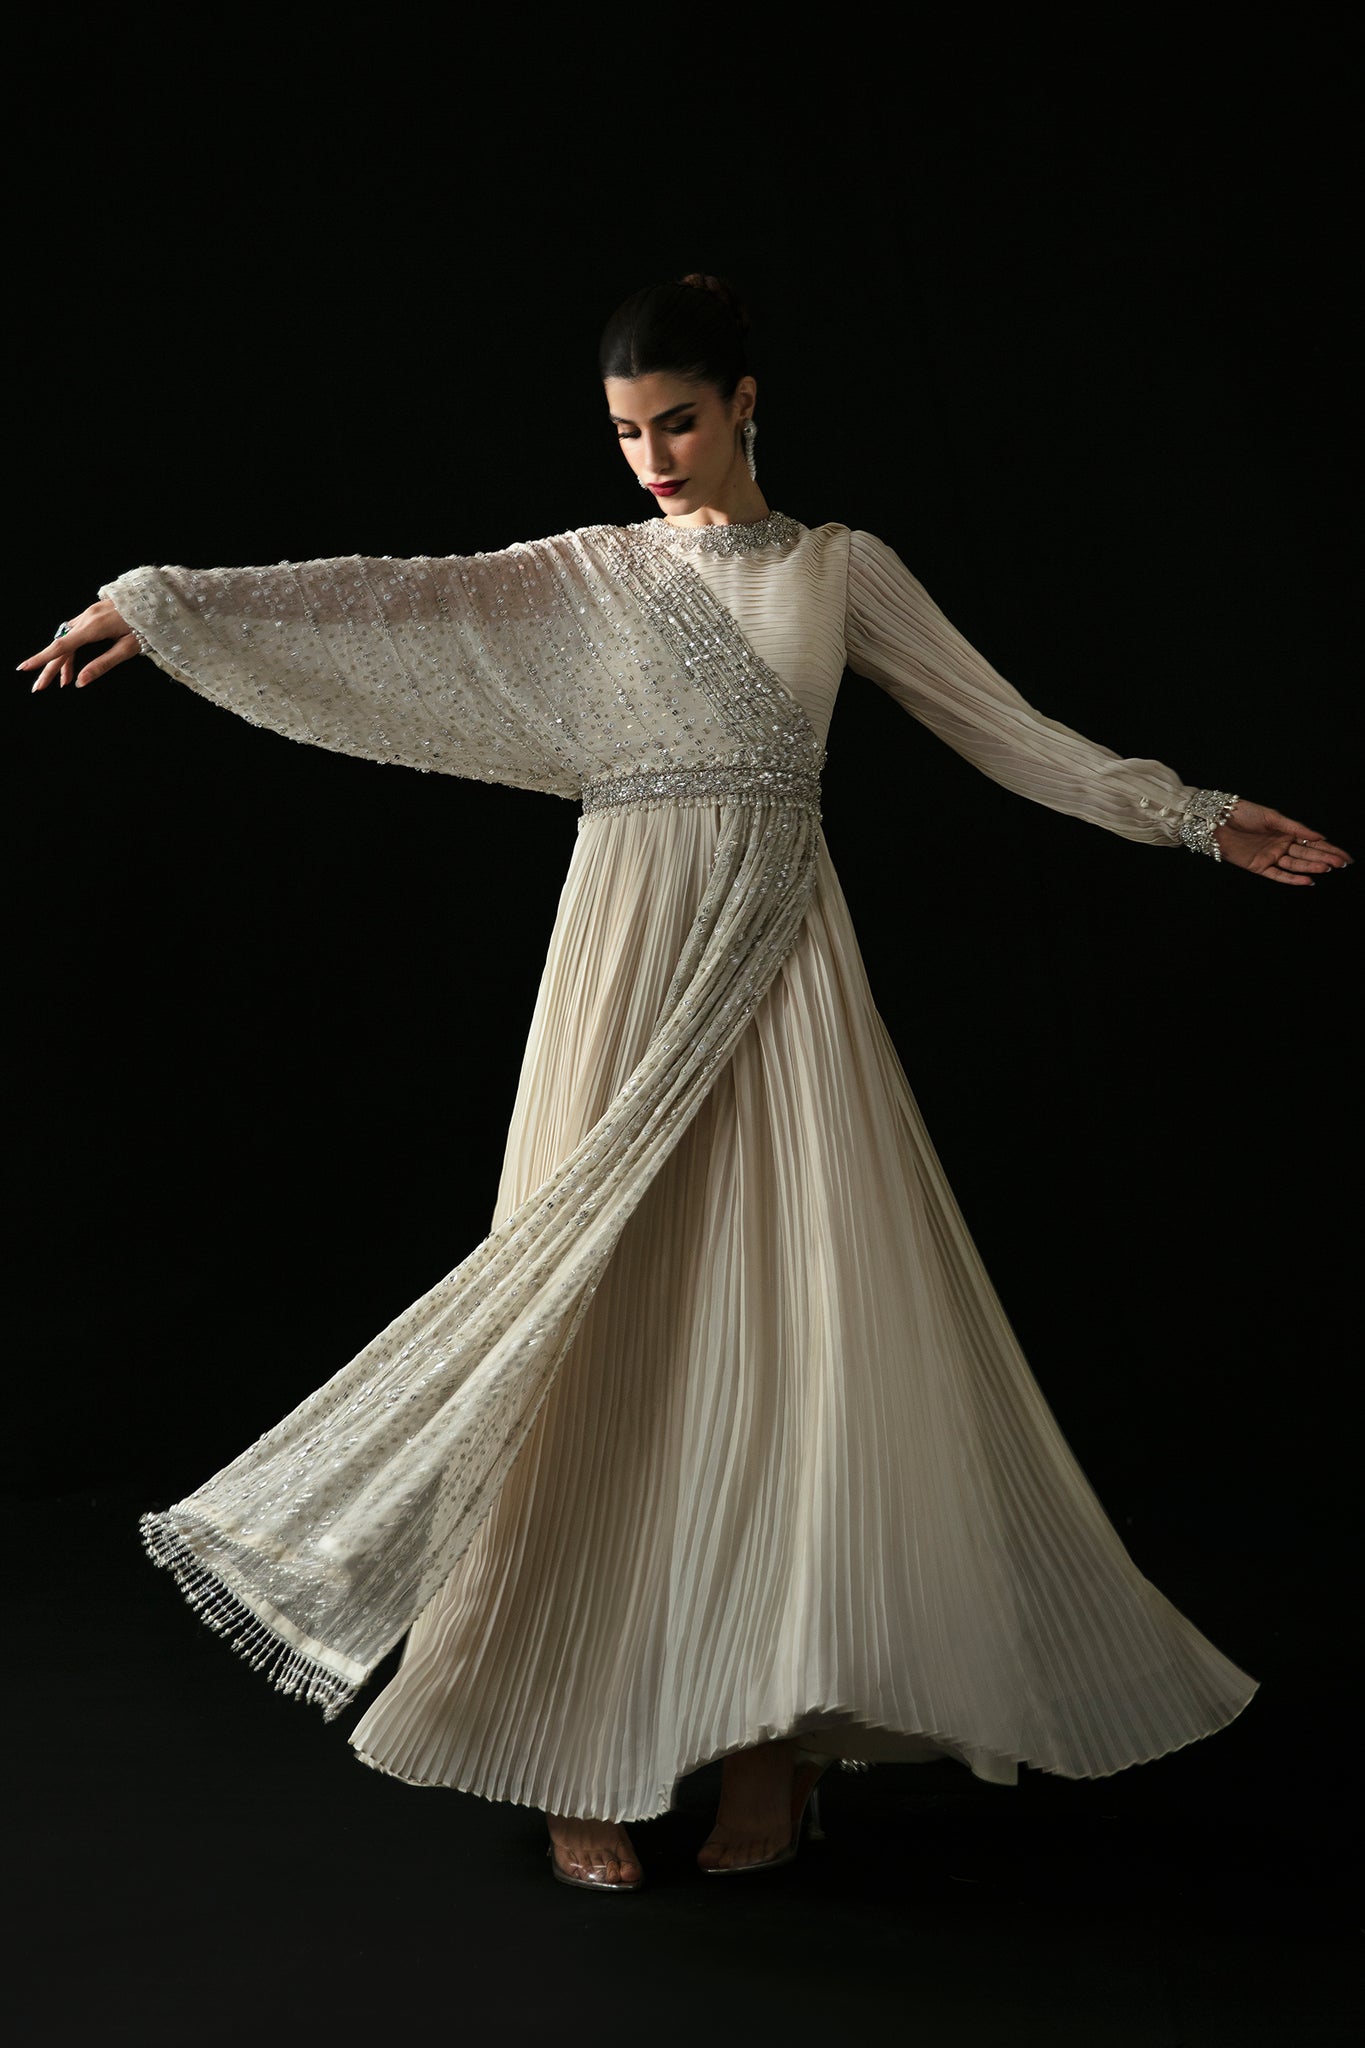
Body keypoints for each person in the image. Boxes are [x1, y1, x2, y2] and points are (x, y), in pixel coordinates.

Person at [21, 273, 1351, 1895]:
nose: (652, 457)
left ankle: (767, 1738)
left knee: (790, 1325)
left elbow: (1005, 729)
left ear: (743, 406)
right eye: (625, 433)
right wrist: (162, 607)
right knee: (595, 1331)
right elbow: (390, 599)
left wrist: (1192, 817)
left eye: (677, 422)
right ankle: (561, 1740)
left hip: (777, 965)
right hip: (622, 962)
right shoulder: (591, 571)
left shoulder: (838, 569)